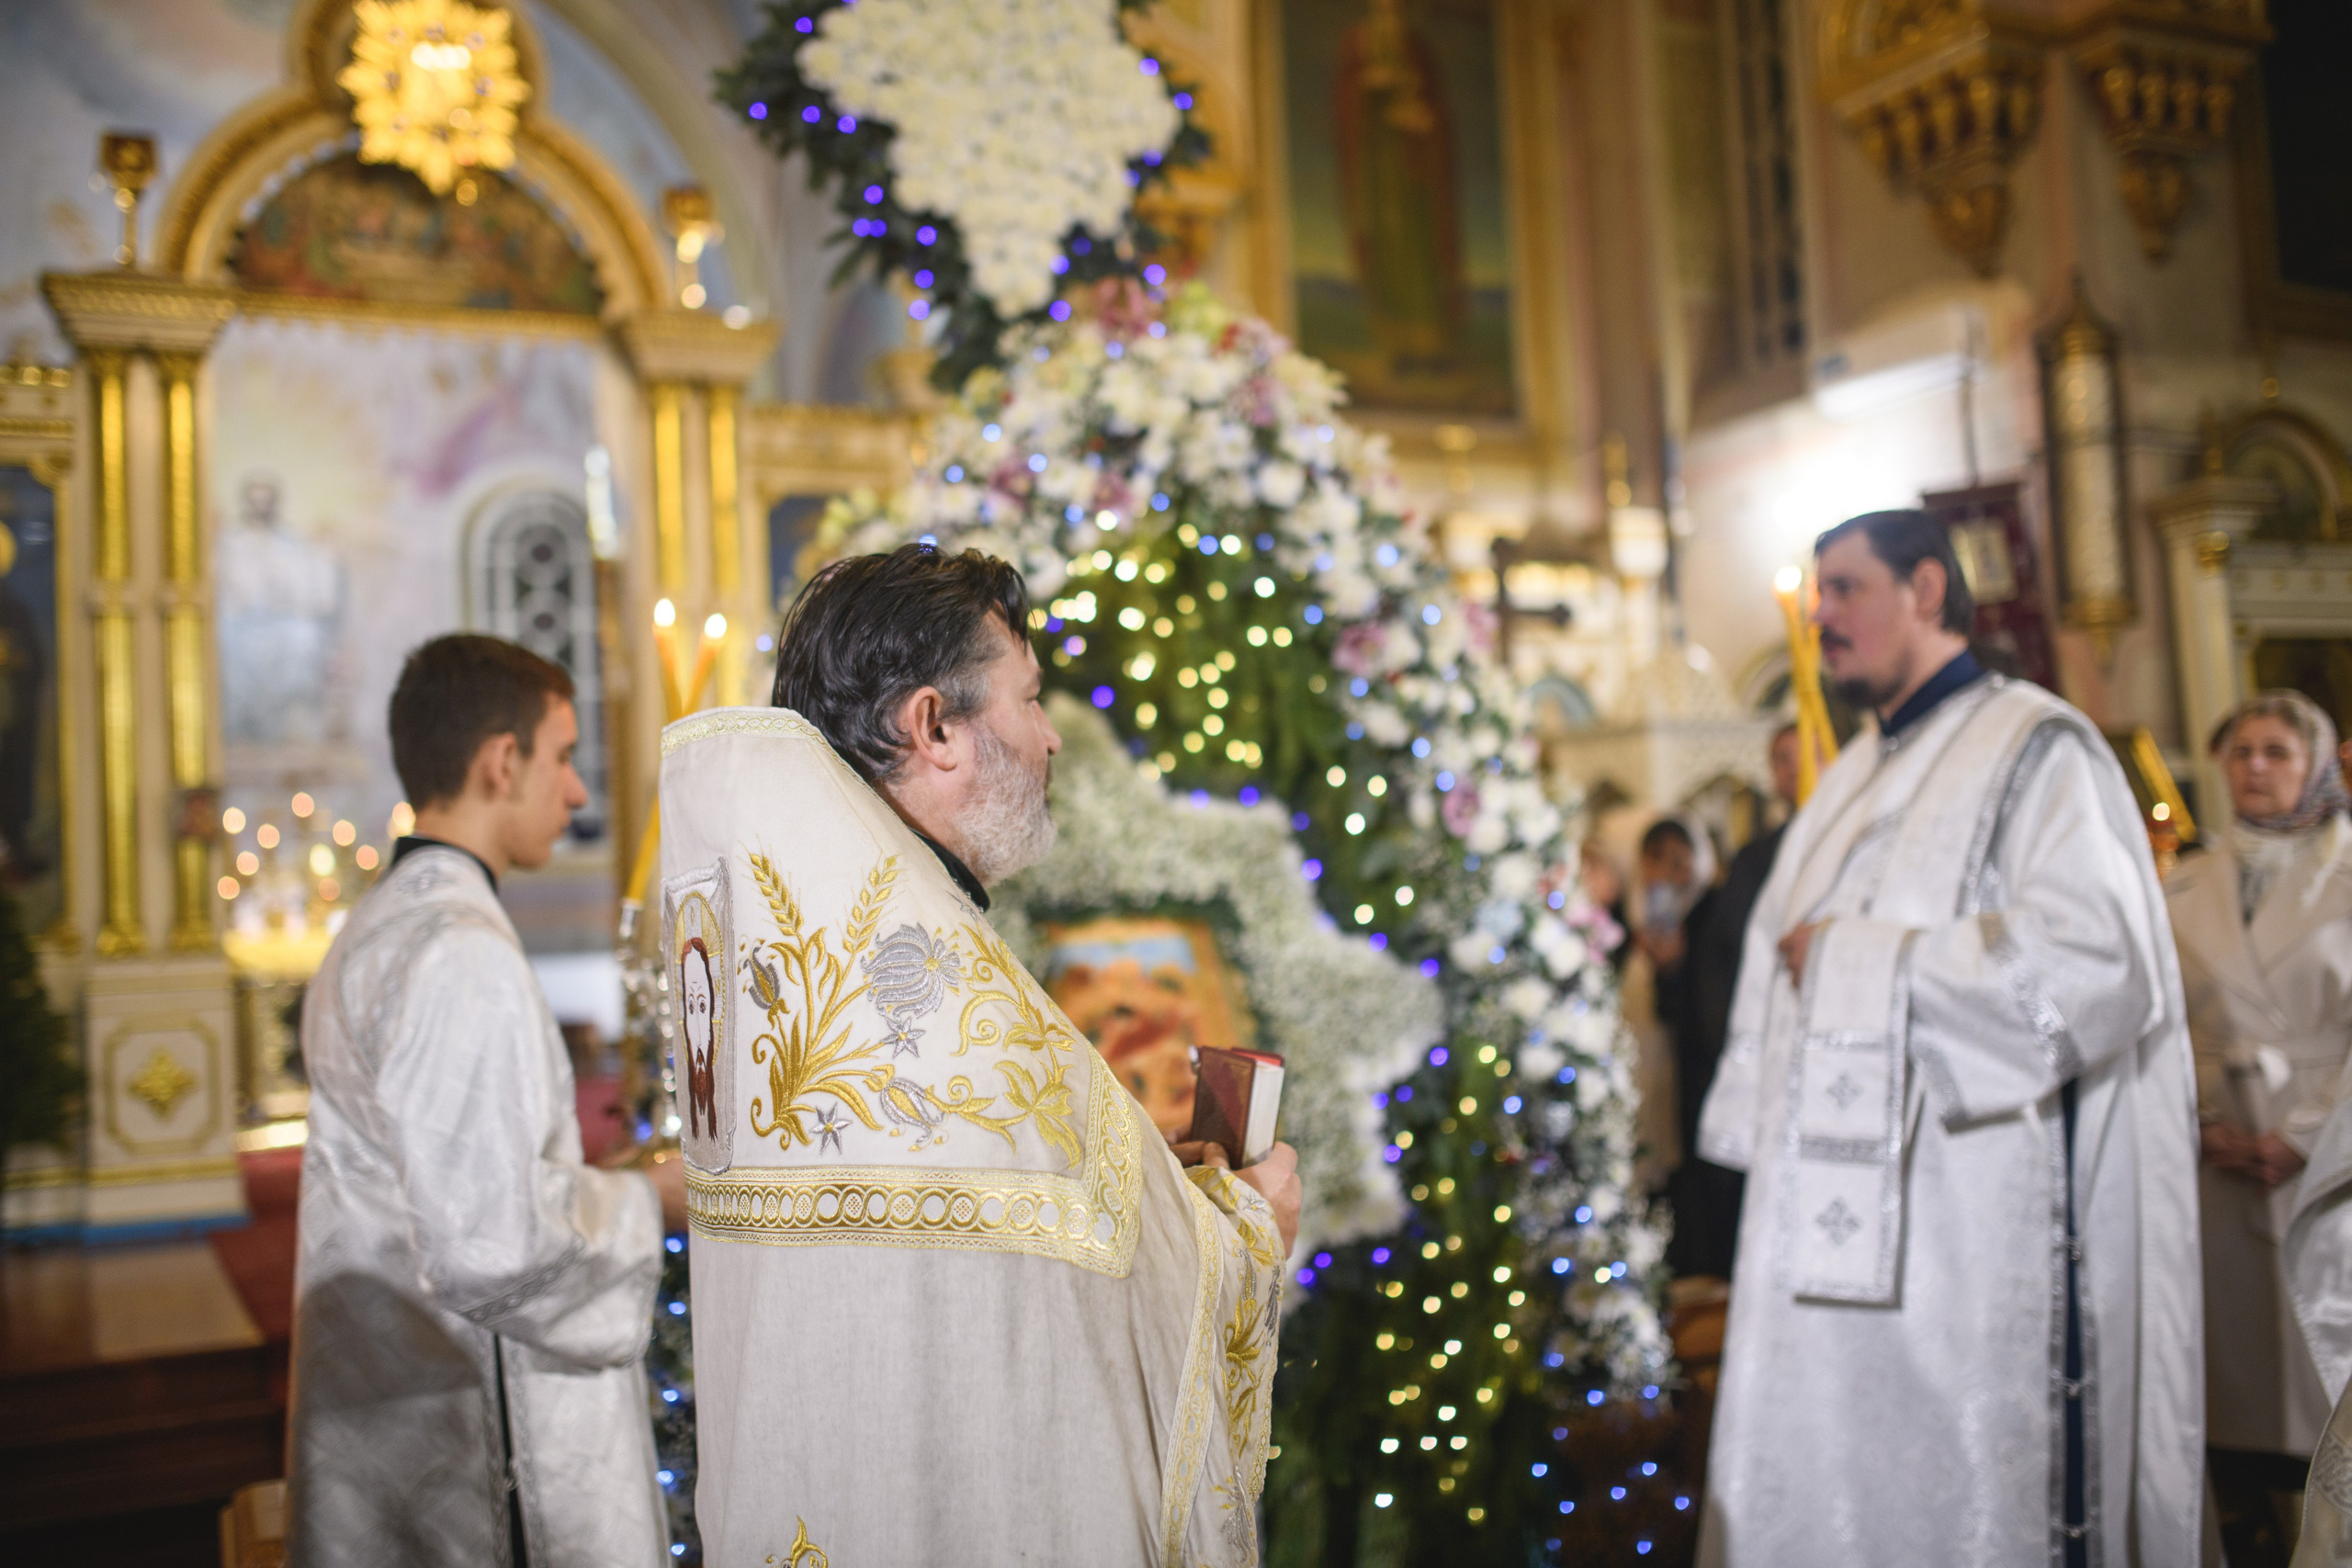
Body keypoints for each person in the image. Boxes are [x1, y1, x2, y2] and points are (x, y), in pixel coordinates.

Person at [663, 545, 1301, 1567]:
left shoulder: (790, 951)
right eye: (1029, 699)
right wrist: (1250, 1223)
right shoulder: (941, 992)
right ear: (935, 726)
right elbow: (1141, 1303)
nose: (1049, 739)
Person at [1694, 510, 2201, 1566]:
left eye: (1842, 589)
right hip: (1830, 1228)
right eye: (1817, 594)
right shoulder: (1856, 773)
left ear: (1926, 590)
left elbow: (2101, 963)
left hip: (1973, 1228)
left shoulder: (2037, 747)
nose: (1820, 617)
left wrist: (1865, 958)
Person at [288, 635, 687, 1568]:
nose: (577, 792)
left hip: (394, 1406)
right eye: (561, 758)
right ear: (501, 762)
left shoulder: (383, 922)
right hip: (475, 1450)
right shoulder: (462, 952)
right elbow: (493, 1246)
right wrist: (651, 1200)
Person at [2167, 691, 2352, 1562]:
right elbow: (2155, 1017)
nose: (2255, 767)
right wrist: (2201, 1122)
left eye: (2278, 751)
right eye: (2240, 750)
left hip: (2327, 1153)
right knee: (2239, 1396)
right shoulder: (2182, 878)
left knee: (2320, 1375)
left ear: (2312, 763)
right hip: (2216, 1155)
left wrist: (2306, 1136)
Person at [1664, 724, 1799, 1280]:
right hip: (1765, 1056)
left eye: (1797, 757)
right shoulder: (1756, 860)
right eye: (1778, 761)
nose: (1787, 772)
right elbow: (1724, 966)